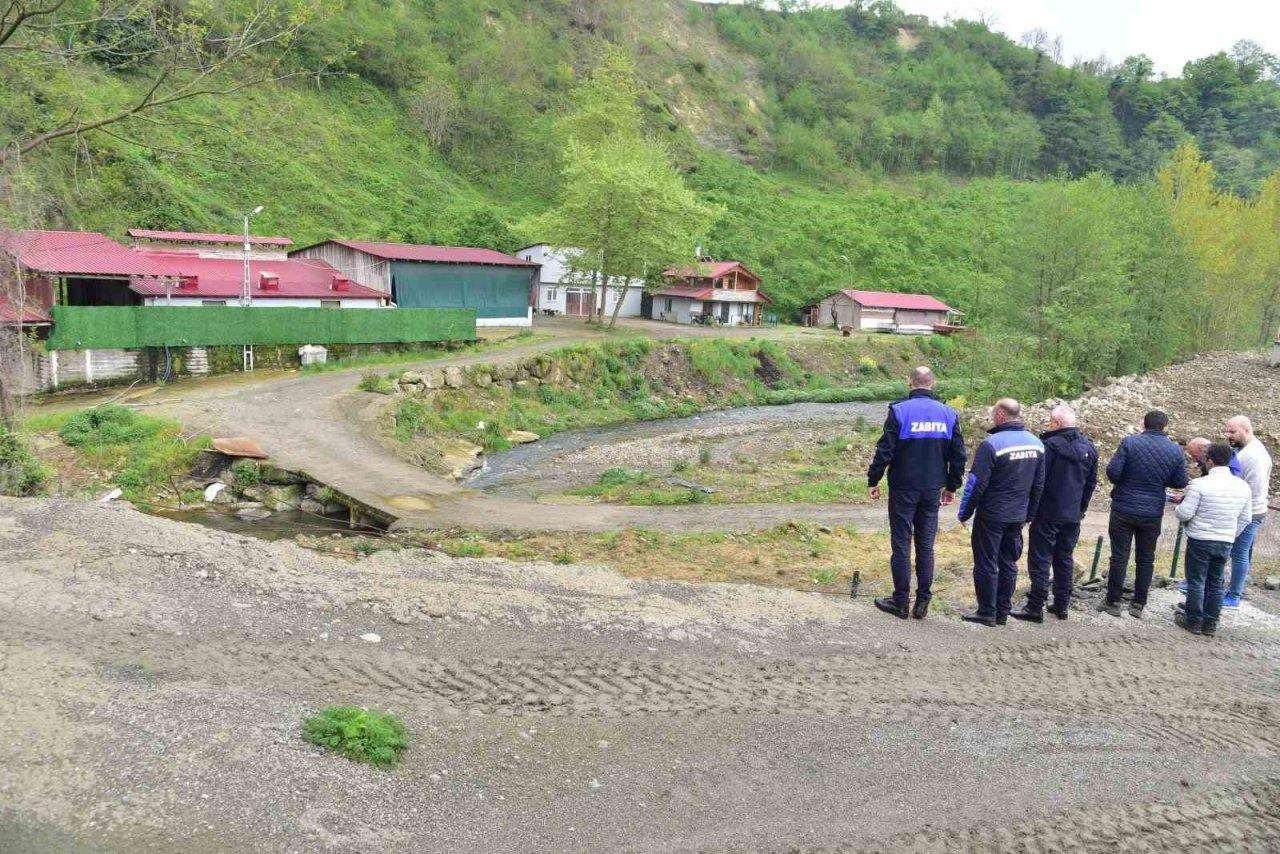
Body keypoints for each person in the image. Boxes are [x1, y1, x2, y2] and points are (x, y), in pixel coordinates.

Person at [866, 366, 967, 620]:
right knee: (925, 545)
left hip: (903, 487)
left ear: (910, 382)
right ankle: (922, 602)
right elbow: (958, 456)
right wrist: (952, 486)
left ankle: (900, 601)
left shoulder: (899, 411)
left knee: (901, 543)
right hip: (932, 488)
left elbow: (884, 450)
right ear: (932, 384)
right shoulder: (948, 413)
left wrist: (874, 479)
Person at [957, 399, 1045, 627]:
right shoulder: (1036, 444)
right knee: (1009, 562)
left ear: (999, 416)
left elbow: (976, 484)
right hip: (1017, 515)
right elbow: (1038, 483)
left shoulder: (992, 444)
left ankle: (987, 611)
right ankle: (1003, 611)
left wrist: (964, 513)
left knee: (986, 563)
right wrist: (1030, 514)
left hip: (992, 514)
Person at [1011, 405, 1097, 623]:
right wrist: (1081, 508)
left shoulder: (1048, 446)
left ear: (1057, 423)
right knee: (1064, 558)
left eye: (1050, 422)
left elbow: (1037, 480)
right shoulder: (1089, 448)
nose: (1048, 425)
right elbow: (1091, 483)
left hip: (1048, 511)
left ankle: (1035, 606)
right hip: (1072, 514)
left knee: (1040, 559)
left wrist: (1030, 509)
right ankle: (1061, 605)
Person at [1101, 410, 1188, 618]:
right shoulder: (1175, 450)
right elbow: (1180, 481)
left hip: (1124, 507)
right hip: (1152, 511)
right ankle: (1138, 604)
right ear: (1164, 426)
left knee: (1119, 556)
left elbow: (1113, 473)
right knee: (1146, 558)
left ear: (1144, 424)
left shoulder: (1129, 443)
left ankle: (1113, 601)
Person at [1174, 443, 1252, 637]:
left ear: (1209, 461)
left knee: (1197, 580)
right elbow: (1246, 518)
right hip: (1225, 540)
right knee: (1217, 582)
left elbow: (1185, 513)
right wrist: (1231, 534)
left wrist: (1177, 508)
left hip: (1200, 539)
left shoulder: (1199, 484)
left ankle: (1193, 620)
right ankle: (1211, 623)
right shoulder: (1243, 486)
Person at [1224, 415, 1273, 609]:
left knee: (1239, 552)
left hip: (1249, 512)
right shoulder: (1241, 449)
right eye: (1227, 431)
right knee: (1238, 552)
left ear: (1246, 429)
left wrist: (1236, 509)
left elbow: (1254, 490)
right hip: (1243, 509)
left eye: (1232, 431)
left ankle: (1234, 595)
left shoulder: (1255, 456)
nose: (1229, 435)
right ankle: (1225, 588)